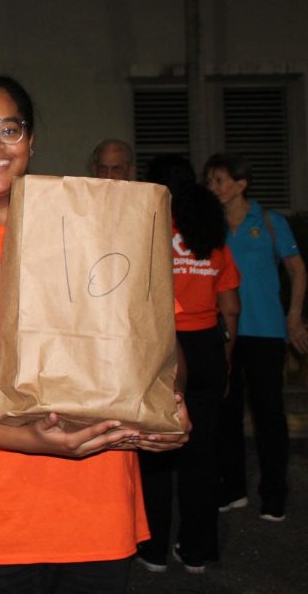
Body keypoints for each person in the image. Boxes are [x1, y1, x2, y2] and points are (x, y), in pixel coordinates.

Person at [0, 75, 189, 593]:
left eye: (8, 128)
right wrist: (28, 439)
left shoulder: (96, 223)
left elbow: (159, 342)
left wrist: (170, 402)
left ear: (31, 140)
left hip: (97, 505)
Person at [136, 155, 239, 574]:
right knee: (202, 455)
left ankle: (153, 548)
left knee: (155, 452)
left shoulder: (150, 231)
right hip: (207, 346)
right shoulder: (211, 235)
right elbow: (229, 306)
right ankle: (197, 550)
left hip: (163, 349)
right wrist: (225, 360)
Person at [205, 152, 307, 523]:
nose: (213, 187)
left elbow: (298, 269)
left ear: (241, 183)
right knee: (226, 412)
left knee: (269, 415)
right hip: (224, 332)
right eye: (210, 180)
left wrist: (294, 316)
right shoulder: (210, 225)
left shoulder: (269, 221)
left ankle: (274, 494)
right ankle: (232, 488)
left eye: (219, 180)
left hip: (265, 331)